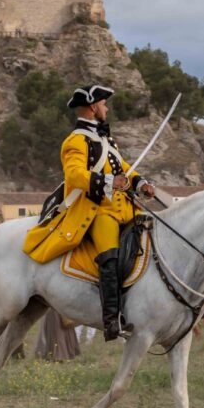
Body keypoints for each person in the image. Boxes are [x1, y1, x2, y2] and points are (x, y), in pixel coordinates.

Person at [23, 84, 155, 342]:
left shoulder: (106, 138)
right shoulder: (75, 141)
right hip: (98, 212)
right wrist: (108, 182)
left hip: (125, 208)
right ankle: (113, 320)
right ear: (93, 107)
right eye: (105, 104)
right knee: (110, 258)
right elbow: (74, 175)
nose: (107, 108)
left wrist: (140, 183)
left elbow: (123, 166)